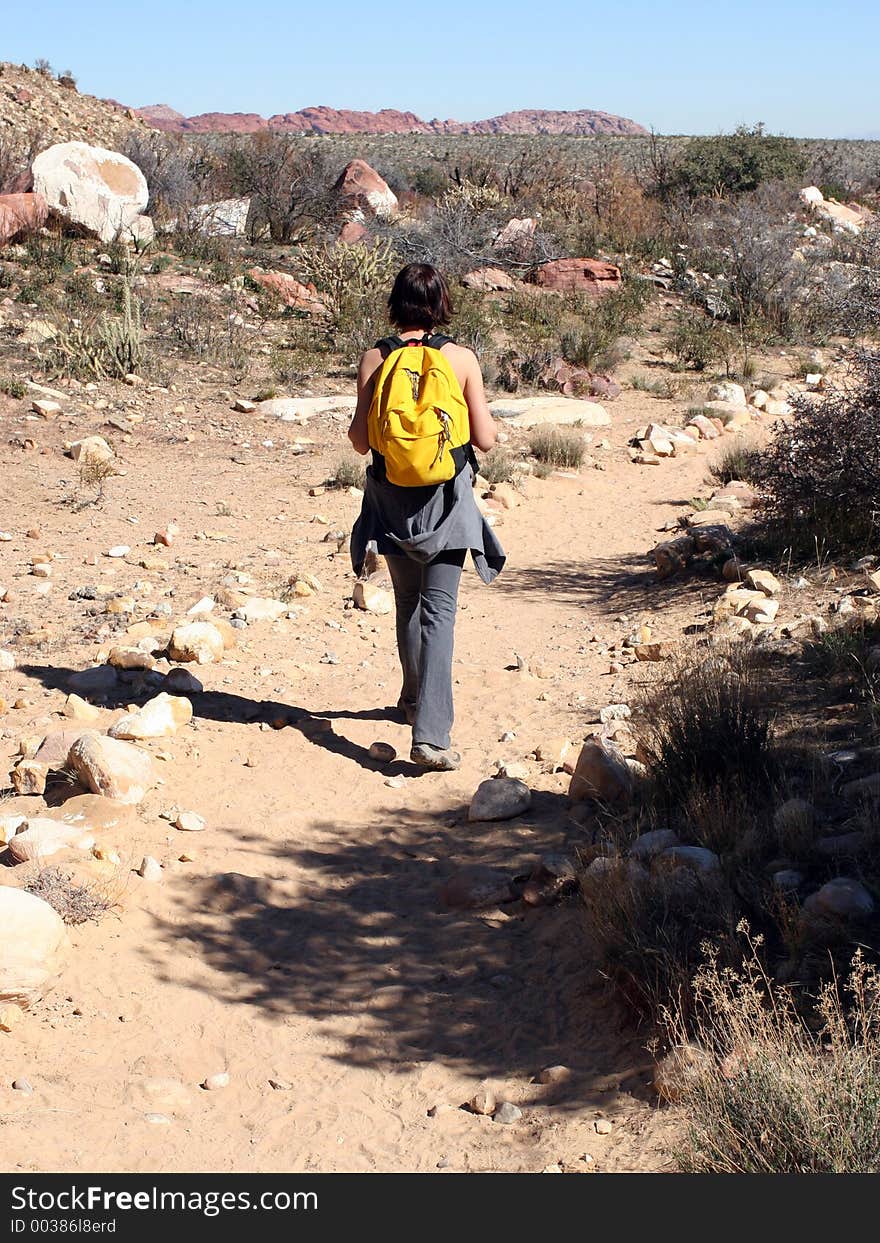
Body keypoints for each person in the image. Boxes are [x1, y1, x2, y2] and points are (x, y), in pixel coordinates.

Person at [348, 263, 506, 771]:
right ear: (440, 304)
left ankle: (413, 699)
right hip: (448, 501)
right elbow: (484, 439)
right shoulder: (460, 359)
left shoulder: (376, 357)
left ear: (395, 303)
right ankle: (431, 737)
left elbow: (358, 441)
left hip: (391, 500)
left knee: (407, 601)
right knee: (440, 612)